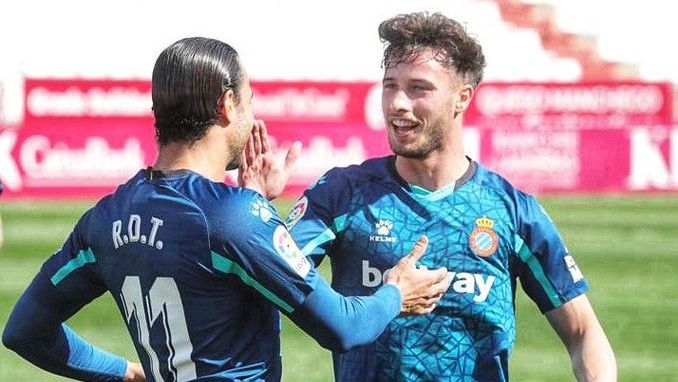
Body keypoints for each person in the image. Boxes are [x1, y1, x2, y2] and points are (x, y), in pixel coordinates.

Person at [2, 37, 452, 382]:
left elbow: (24, 331)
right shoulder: (230, 218)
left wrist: (123, 371)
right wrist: (397, 292)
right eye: (249, 99)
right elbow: (343, 328)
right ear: (226, 105)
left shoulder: (106, 217)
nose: (252, 113)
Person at [286, 12, 617, 381]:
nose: (397, 102)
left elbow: (583, 330)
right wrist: (256, 208)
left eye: (418, 88)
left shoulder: (512, 210)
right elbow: (269, 276)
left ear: (462, 98)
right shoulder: (342, 194)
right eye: (390, 85)